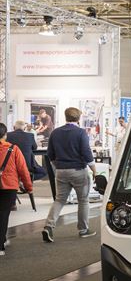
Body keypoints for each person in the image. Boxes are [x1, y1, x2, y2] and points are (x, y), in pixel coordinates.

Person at [41, 107, 97, 242]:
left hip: (61, 172)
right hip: (78, 171)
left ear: (66, 117)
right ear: (78, 118)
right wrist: (94, 170)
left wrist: (58, 166)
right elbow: (86, 153)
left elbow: (50, 154)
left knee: (59, 200)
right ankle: (83, 230)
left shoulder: (55, 132)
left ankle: (48, 226)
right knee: (83, 200)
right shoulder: (81, 133)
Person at [0, 123, 34, 256]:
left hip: (8, 185)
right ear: (5, 135)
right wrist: (29, 187)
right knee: (3, 214)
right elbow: (23, 170)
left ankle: (2, 239)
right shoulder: (13, 149)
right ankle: (0, 245)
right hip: (9, 186)